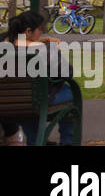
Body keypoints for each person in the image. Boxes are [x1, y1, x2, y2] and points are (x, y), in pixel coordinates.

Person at [7, 11, 78, 145]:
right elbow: (67, 72)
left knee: (27, 102)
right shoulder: (43, 50)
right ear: (28, 31)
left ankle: (36, 141)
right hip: (40, 101)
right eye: (40, 30)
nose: (42, 33)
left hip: (10, 104)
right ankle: (68, 142)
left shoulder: (4, 50)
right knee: (69, 91)